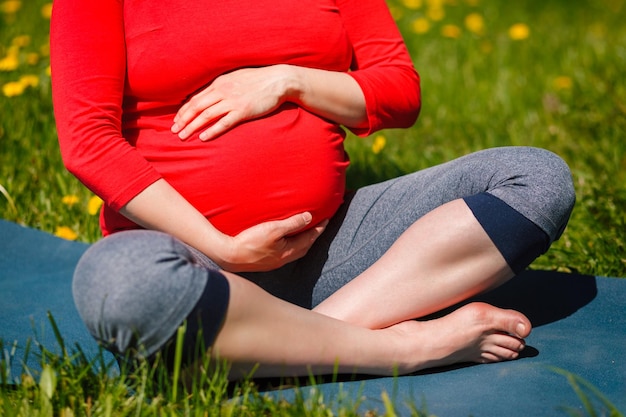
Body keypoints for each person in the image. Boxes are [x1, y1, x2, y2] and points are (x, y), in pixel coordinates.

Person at [50, 0, 575, 379]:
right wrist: (222, 247)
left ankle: (290, 347)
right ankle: (402, 349)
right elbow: (88, 142)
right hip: (194, 262)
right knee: (121, 282)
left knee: (536, 178)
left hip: (332, 253)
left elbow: (399, 90)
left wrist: (285, 79)